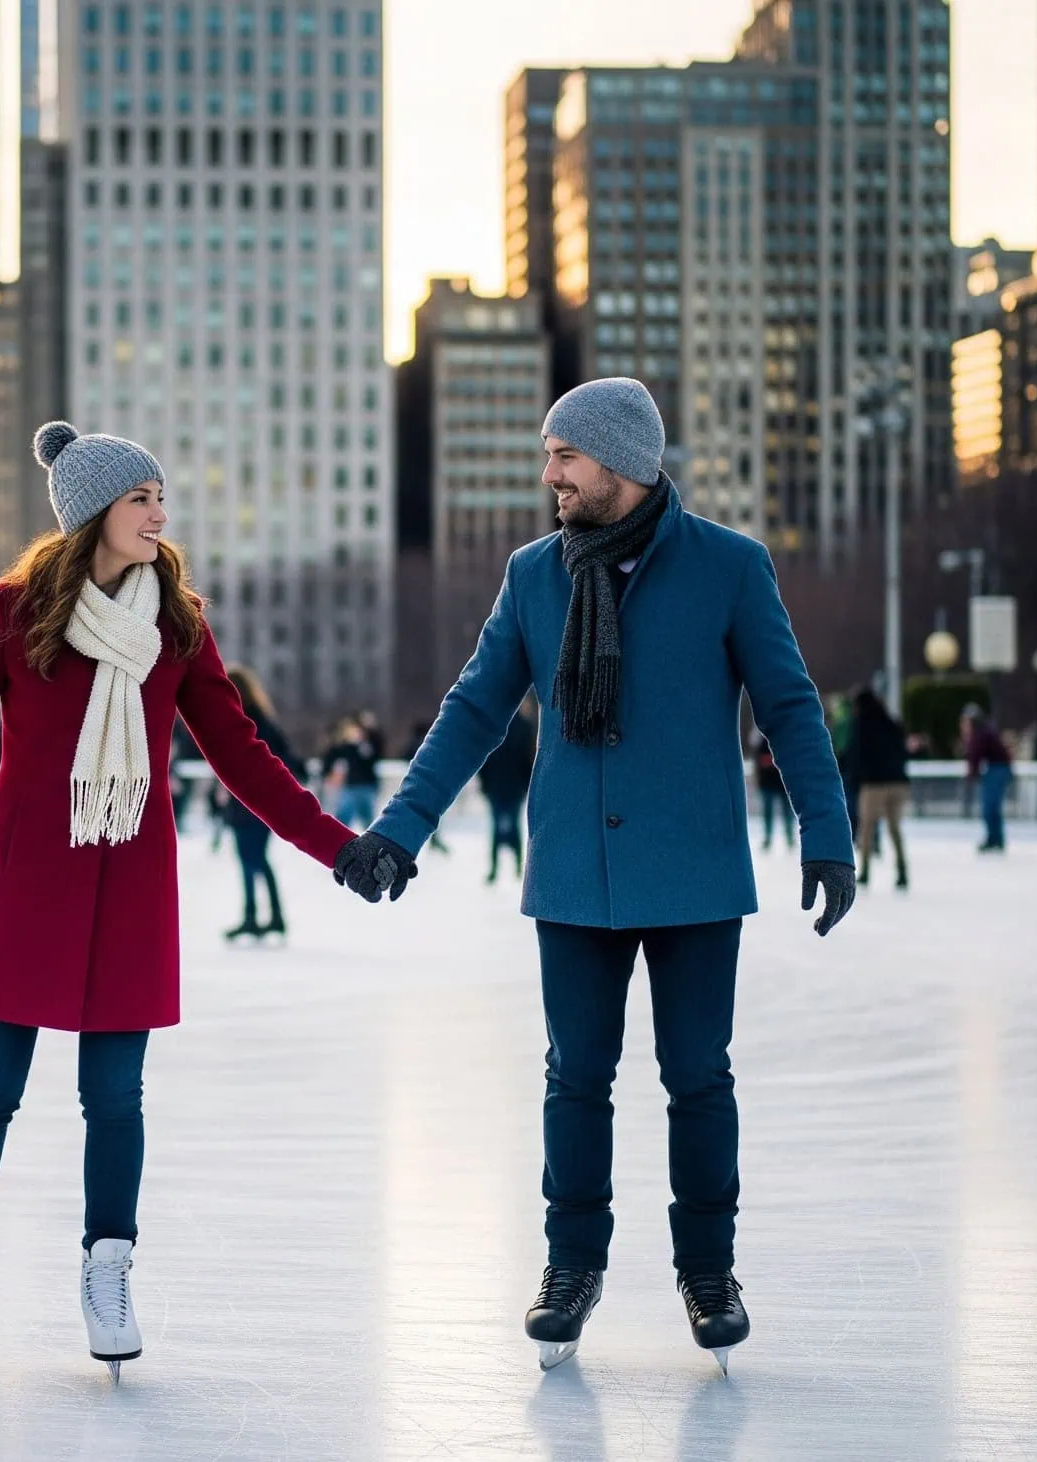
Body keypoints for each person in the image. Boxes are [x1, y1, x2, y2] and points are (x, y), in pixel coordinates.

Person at [0, 420, 367, 1380]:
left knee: (114, 1097)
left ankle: (108, 1271)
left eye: (161, 498)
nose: (161, 516)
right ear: (94, 512)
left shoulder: (177, 624)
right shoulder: (14, 611)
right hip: (24, 883)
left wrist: (338, 849)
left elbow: (240, 752)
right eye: (142, 499)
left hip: (128, 883)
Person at [337, 378, 855, 1374]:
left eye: (562, 457)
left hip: (695, 875)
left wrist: (824, 833)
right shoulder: (534, 573)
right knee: (574, 1078)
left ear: (618, 461)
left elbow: (789, 707)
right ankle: (570, 1265)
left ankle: (708, 1272)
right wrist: (399, 833)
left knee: (697, 1077)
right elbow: (472, 708)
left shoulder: (727, 568)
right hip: (575, 875)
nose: (549, 476)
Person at [216, 664, 300, 939]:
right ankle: (264, 915)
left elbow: (283, 760)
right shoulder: (260, 721)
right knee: (254, 859)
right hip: (254, 803)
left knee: (253, 859)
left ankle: (261, 916)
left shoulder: (249, 722)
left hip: (253, 804)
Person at [849, 687, 910, 890]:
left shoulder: (862, 725)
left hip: (873, 785)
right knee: (895, 829)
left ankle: (865, 871)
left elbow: (857, 756)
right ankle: (902, 871)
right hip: (898, 783)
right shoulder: (892, 723)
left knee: (866, 829)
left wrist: (855, 781)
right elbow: (903, 752)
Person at [480, 699, 538, 881]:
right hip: (515, 785)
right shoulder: (525, 727)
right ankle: (518, 866)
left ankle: (495, 869)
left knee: (497, 825)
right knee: (514, 825)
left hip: (497, 784)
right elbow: (528, 759)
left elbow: (485, 759)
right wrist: (527, 783)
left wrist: (485, 783)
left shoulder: (494, 724)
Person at [960, 704, 1012, 853]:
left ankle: (994, 838)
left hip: (996, 770)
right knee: (991, 807)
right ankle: (995, 838)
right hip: (995, 769)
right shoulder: (983, 732)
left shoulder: (979, 734)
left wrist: (971, 776)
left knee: (990, 807)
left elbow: (974, 756)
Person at [321, 718, 382, 828]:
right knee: (344, 817)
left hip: (367, 786)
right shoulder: (342, 748)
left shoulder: (367, 746)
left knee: (368, 819)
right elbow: (328, 761)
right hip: (349, 786)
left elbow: (375, 758)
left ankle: (373, 842)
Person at [747, 727, 791, 852]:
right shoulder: (759, 740)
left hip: (782, 783)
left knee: (787, 812)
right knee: (768, 812)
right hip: (767, 782)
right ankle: (768, 838)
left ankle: (789, 838)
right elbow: (757, 760)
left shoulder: (782, 738)